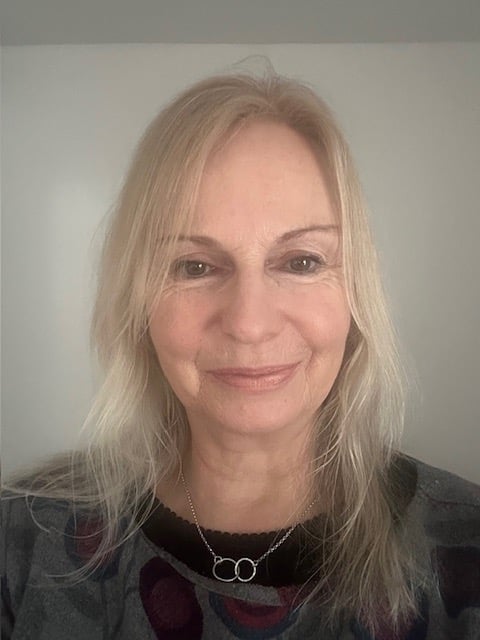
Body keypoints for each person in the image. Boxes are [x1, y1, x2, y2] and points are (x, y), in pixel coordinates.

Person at [2, 69, 479, 640]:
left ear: (357, 294)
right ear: (139, 302)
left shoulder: (465, 546)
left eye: (302, 261)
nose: (249, 325)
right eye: (195, 266)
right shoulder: (22, 537)